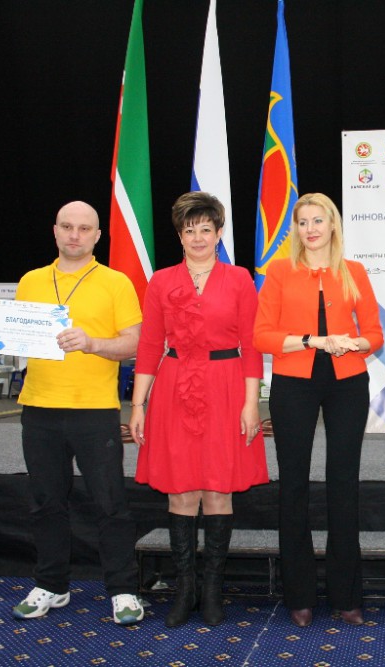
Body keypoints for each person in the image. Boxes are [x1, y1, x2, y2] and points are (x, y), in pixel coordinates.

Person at [0, 201, 145, 625]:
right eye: (67, 226)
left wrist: (92, 343)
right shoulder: (31, 280)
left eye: (84, 228)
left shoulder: (116, 282)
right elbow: (17, 340)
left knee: (110, 504)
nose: (74, 235)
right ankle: (51, 584)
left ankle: (123, 589)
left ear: (97, 235)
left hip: (94, 410)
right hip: (39, 408)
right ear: (55, 231)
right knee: (45, 503)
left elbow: (135, 343)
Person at [129, 192, 268, 627]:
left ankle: (212, 591)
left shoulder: (239, 279)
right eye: (189, 230)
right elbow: (150, 344)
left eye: (206, 229)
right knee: (181, 490)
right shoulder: (161, 281)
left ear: (219, 233)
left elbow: (251, 347)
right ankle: (184, 589)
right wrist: (137, 404)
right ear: (180, 236)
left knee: (218, 489)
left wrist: (251, 404)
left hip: (227, 388)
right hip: (173, 389)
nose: (198, 237)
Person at [253, 193, 383, 628]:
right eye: (303, 222)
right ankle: (299, 595)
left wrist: (354, 342)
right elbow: (262, 335)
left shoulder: (354, 271)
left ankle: (347, 595)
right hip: (294, 381)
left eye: (318, 220)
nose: (310, 229)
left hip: (348, 382)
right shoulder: (279, 272)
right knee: (293, 484)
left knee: (343, 483)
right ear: (295, 228)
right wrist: (313, 340)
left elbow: (375, 335)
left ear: (332, 226)